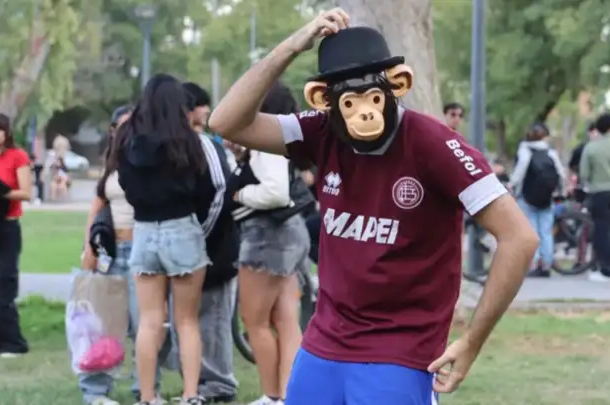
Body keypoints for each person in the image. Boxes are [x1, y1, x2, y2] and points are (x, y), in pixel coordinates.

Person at [209, 11, 538, 405]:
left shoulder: (433, 144)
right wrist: (293, 46)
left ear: (396, 86)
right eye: (350, 102)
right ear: (326, 102)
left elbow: (520, 238)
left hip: (400, 351)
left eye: (375, 98)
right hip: (324, 344)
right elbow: (226, 122)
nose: (365, 113)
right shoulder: (321, 131)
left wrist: (471, 341)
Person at [113, 73, 210, 405]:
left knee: (149, 320)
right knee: (187, 320)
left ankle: (147, 396)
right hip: (182, 226)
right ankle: (190, 394)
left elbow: (124, 182)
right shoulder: (187, 140)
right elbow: (205, 188)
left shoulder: (127, 138)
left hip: (143, 230)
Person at [77, 106, 172, 405]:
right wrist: (89, 247)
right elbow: (97, 205)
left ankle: (146, 388)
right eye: (121, 125)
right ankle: (95, 391)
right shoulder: (112, 161)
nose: (128, 130)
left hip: (143, 248)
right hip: (111, 249)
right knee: (104, 324)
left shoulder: (152, 159)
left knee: (146, 323)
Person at [228, 81, 312, 405]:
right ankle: (290, 394)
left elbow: (276, 191)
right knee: (286, 320)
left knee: (255, 321)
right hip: (291, 235)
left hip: (266, 237)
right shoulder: (287, 141)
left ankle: (272, 395)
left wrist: (241, 195)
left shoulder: (266, 141)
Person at [183, 81, 241, 404]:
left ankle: (219, 381)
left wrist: (201, 235)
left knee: (215, 315)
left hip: (216, 245)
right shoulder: (189, 144)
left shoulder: (206, 144)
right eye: (202, 105)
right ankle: (203, 379)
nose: (207, 111)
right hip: (201, 242)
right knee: (196, 315)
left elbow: (222, 190)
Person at [0, 113, 32, 357]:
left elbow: (25, 193)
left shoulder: (17, 156)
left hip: (7, 228)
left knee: (2, 287)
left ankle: (12, 343)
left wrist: (0, 192)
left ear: (6, 132)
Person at [509, 122, 565, 278]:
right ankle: (546, 264)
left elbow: (519, 172)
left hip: (527, 196)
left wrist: (511, 185)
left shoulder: (525, 150)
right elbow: (561, 173)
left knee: (531, 231)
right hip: (547, 197)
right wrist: (561, 190)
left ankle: (533, 264)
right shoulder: (550, 152)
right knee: (546, 232)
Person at [579, 113, 610, 281]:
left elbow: (584, 174)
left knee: (601, 230)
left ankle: (606, 267)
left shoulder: (591, 148)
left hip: (599, 193)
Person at [45, 135, 72, 201]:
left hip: (62, 177)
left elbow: (66, 171)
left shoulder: (66, 158)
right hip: (56, 177)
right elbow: (50, 167)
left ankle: (63, 199)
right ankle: (53, 199)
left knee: (62, 185)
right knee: (54, 185)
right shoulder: (53, 156)